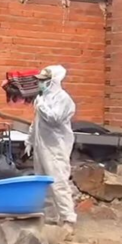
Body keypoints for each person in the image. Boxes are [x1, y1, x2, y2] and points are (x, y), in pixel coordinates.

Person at [27, 65, 76, 234]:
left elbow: (55, 119)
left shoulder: (64, 99)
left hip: (56, 148)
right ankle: (49, 217)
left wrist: (40, 105)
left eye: (43, 81)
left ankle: (68, 218)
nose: (40, 84)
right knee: (43, 184)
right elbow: (36, 122)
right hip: (41, 147)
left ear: (52, 81)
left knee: (58, 183)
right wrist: (30, 140)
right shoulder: (43, 98)